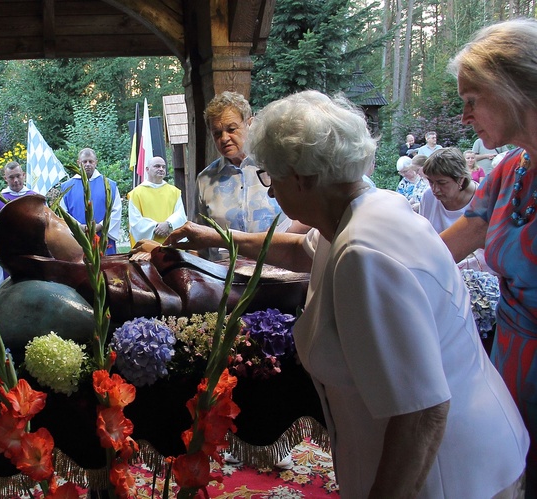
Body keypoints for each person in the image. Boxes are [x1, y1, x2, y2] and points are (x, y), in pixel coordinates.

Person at [166, 90, 528, 497]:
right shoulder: (371, 208)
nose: (270, 192)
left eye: (271, 177)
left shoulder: (363, 255)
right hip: (478, 456)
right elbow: (298, 251)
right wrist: (215, 235)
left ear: (301, 177)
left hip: (450, 478)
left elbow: (422, 413)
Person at [443, 18, 537, 495]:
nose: (465, 117)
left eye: (471, 100)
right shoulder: (509, 171)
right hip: (509, 366)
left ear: (514, 89)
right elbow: (442, 252)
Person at [196, 91, 285, 259]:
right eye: (217, 133)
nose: (224, 138)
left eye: (231, 129)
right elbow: (201, 242)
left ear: (249, 124)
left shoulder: (275, 166)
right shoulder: (205, 180)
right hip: (224, 279)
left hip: (275, 272)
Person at [59, 148, 122, 255]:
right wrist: (78, 227)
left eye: (91, 161)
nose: (88, 164)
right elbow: (63, 213)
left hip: (102, 237)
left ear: (96, 163)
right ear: (79, 163)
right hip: (77, 237)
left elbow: (116, 210)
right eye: (84, 161)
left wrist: (100, 226)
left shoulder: (110, 185)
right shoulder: (66, 187)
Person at [0, 161, 36, 284]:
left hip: (33, 257)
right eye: (11, 177)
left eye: (18, 176)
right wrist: (3, 257)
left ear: (24, 175)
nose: (16, 180)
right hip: (8, 259)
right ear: (5, 178)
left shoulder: (35, 199)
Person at [127, 156, 187, 247]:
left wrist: (168, 224)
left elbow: (180, 215)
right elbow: (135, 222)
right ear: (147, 169)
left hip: (171, 244)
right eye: (157, 166)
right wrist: (156, 227)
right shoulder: (136, 193)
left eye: (163, 167)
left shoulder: (174, 192)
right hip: (147, 247)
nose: (161, 169)